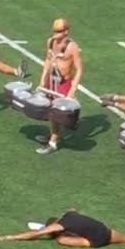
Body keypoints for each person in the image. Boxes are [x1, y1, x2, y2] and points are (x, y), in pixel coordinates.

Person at [35, 17, 83, 154]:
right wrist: (43, 79)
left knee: (56, 113)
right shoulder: (50, 42)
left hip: (63, 83)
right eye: (55, 31)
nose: (56, 34)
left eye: (59, 31)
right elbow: (48, 60)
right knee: (50, 110)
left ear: (66, 31)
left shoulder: (72, 46)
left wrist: (73, 89)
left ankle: (53, 143)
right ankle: (54, 133)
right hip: (52, 82)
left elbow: (79, 69)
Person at [0, 210, 125, 248]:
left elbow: (35, 234)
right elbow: (72, 208)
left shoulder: (60, 227)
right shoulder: (69, 215)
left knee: (61, 240)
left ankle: (83, 240)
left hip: (96, 240)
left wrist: (10, 237)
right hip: (105, 230)